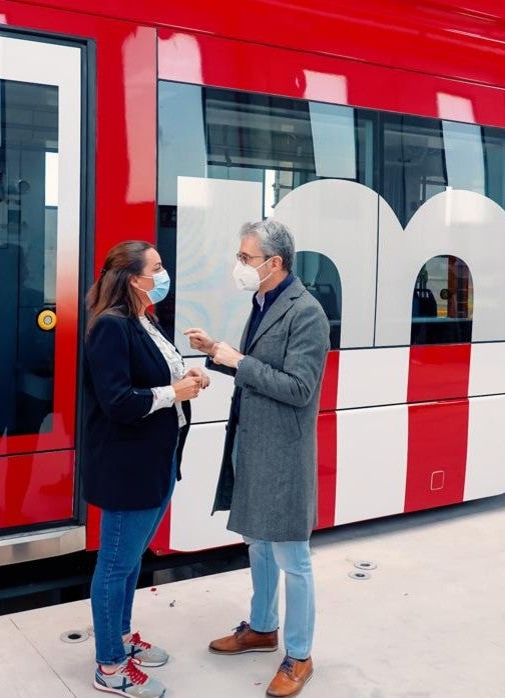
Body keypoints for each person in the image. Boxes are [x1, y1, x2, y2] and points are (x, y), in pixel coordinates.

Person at [184, 219, 330, 698]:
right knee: (258, 544)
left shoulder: (306, 312)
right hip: (253, 443)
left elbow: (299, 387)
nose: (239, 266)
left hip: (282, 452)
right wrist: (217, 353)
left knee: (293, 556)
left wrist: (236, 360)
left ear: (275, 263)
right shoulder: (263, 301)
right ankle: (263, 628)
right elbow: (258, 368)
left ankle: (299, 655)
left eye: (246, 258)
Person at [82, 241, 210, 697]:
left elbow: (159, 376)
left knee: (131, 560)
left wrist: (191, 379)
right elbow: (117, 402)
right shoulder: (110, 328)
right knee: (115, 565)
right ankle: (109, 668)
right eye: (156, 267)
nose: (164, 273)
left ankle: (119, 638)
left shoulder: (144, 318)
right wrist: (175, 393)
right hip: (127, 466)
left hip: (157, 459)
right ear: (134, 278)